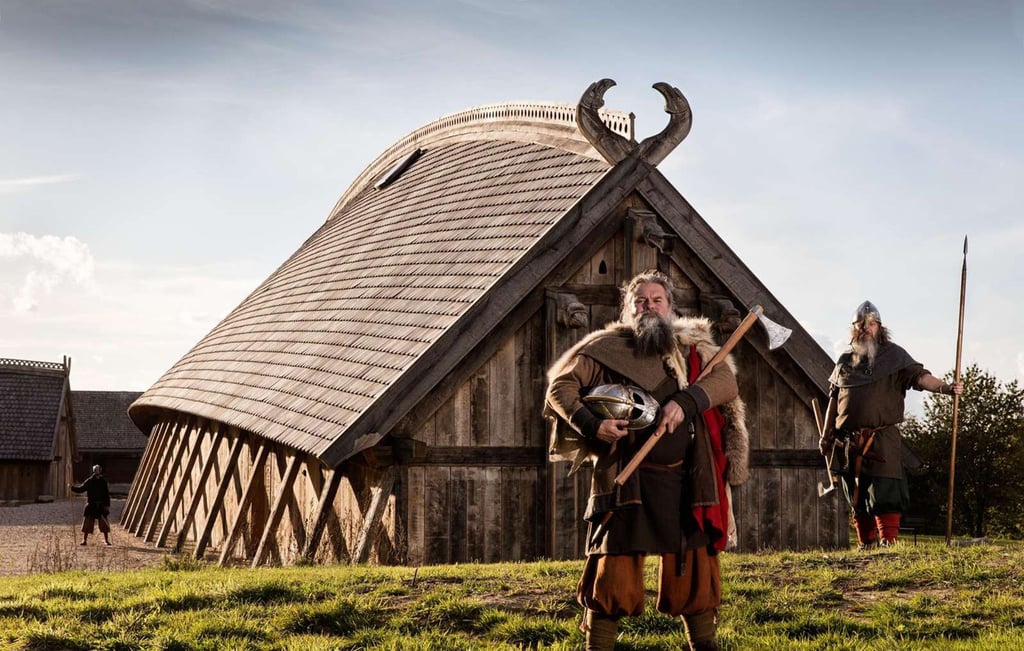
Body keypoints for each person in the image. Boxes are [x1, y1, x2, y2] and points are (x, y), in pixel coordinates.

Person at [545, 270, 749, 651]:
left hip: (686, 481)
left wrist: (687, 401)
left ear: (671, 308)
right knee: (610, 577)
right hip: (626, 479)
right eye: (640, 301)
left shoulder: (693, 351)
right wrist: (593, 424)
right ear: (628, 309)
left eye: (657, 300)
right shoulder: (605, 349)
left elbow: (726, 384)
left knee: (696, 577)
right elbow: (560, 387)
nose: (649, 307)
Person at [821, 300, 962, 549]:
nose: (866, 329)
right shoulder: (844, 361)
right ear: (854, 329)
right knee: (855, 493)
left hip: (882, 439)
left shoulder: (895, 356)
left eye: (871, 324)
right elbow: (834, 399)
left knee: (886, 489)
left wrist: (945, 388)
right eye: (860, 325)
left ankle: (889, 543)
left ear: (880, 327)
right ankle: (866, 544)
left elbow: (921, 378)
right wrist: (825, 435)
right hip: (848, 441)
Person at [70, 464, 112, 546]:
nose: (97, 471)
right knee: (87, 523)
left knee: (104, 524)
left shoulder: (103, 482)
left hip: (101, 506)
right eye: (95, 470)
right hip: (91, 505)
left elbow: (106, 494)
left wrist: (107, 505)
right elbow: (81, 489)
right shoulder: (89, 481)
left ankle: (106, 540)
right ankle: (84, 540)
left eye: (98, 470)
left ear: (100, 471)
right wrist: (72, 488)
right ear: (94, 471)